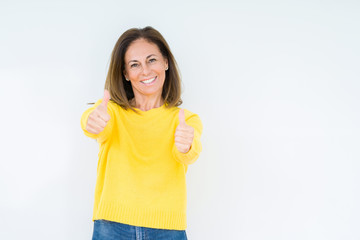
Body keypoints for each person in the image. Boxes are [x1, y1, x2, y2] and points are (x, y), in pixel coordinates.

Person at [80, 26, 203, 240]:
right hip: (112, 227)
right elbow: (94, 122)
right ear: (126, 74)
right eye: (134, 64)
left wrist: (187, 145)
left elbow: (189, 153)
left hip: (167, 231)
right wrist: (91, 121)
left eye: (151, 60)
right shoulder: (112, 112)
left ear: (166, 62)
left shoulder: (185, 119)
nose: (145, 71)